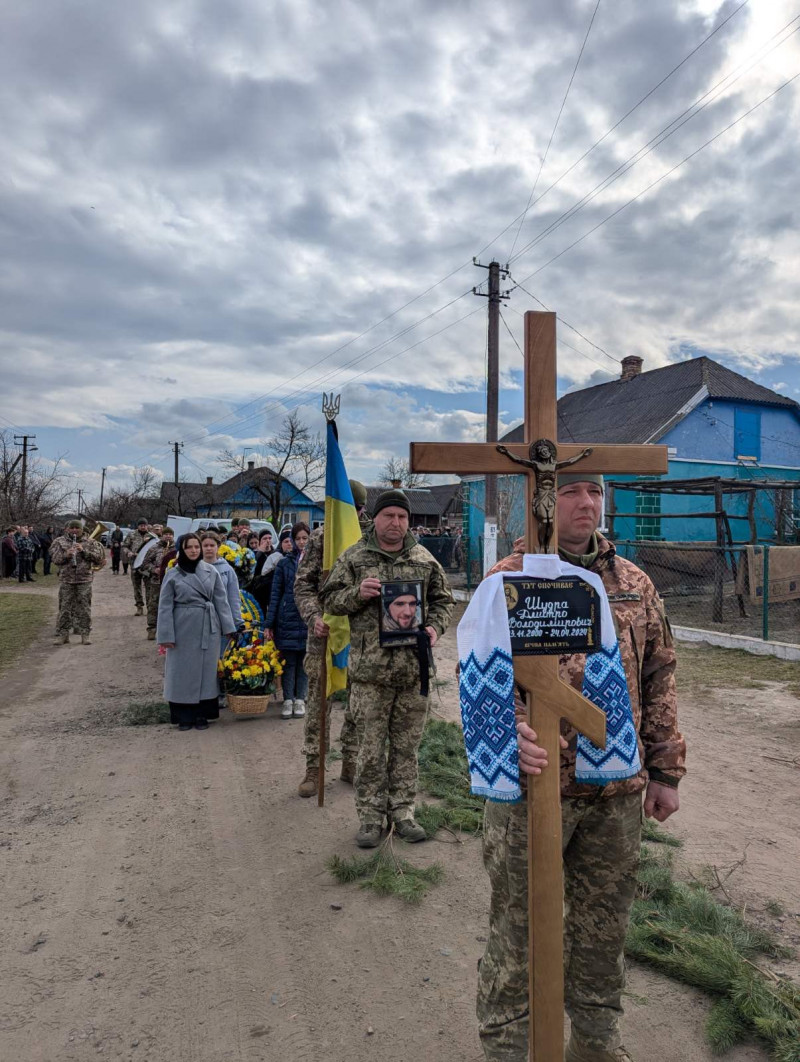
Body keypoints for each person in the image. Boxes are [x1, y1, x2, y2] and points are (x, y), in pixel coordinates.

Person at [476, 474, 685, 1062]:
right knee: (517, 931)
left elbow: (660, 676)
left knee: (602, 930)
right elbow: (480, 675)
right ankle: (507, 1049)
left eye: (594, 491)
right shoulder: (505, 582)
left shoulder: (634, 583)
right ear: (541, 499)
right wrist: (502, 729)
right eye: (570, 491)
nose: (585, 503)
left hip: (615, 792)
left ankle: (595, 1046)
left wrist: (666, 771)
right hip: (531, 786)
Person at [320, 489, 454, 847]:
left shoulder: (424, 560)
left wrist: (434, 628)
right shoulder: (354, 557)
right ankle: (369, 817)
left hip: (413, 673)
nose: (396, 523)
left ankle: (403, 813)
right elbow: (328, 599)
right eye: (389, 516)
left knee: (407, 749)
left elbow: (444, 601)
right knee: (370, 748)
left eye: (402, 517)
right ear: (375, 519)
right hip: (370, 676)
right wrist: (357, 594)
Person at [294, 479, 369, 797]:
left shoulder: (372, 538)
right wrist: (314, 617)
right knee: (317, 703)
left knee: (359, 703)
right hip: (323, 635)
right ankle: (314, 766)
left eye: (355, 510)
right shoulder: (320, 537)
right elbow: (303, 584)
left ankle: (351, 762)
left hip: (363, 637)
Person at [156, 533, 236, 731]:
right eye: (188, 547)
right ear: (181, 550)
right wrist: (165, 635)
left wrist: (229, 628)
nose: (193, 550)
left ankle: (202, 715)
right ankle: (183, 716)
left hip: (208, 627)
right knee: (181, 673)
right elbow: (164, 606)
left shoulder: (211, 571)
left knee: (206, 673)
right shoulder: (172, 574)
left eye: (196, 547)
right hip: (182, 628)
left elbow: (221, 601)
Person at [266, 522, 310, 720]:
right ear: (292, 540)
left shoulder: (315, 563)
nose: (301, 542)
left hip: (307, 616)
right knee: (289, 661)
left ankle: (300, 698)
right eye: (298, 538)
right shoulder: (284, 563)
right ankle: (288, 699)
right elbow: (275, 593)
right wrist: (269, 623)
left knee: (304, 661)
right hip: (287, 617)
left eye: (305, 538)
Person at [50, 520, 105, 644]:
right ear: (68, 529)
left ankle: (85, 634)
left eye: (77, 528)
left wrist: (83, 551)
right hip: (66, 580)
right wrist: (66, 554)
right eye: (72, 528)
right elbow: (55, 559)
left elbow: (99, 559)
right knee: (64, 607)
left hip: (84, 579)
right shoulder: (59, 541)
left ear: (82, 529)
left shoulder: (91, 542)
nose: (74, 530)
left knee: (84, 608)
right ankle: (63, 634)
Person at [200, 532, 243, 638]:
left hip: (221, 619)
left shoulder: (227, 569)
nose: (209, 548)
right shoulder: (195, 568)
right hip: (199, 619)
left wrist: (237, 622)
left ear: (218, 547)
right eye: (205, 545)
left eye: (212, 545)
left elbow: (233, 597)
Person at [140, 527, 175, 640]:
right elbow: (145, 563)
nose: (168, 536)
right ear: (162, 535)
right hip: (156, 582)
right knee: (153, 605)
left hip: (172, 582)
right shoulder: (154, 548)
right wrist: (154, 569)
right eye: (166, 534)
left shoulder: (177, 548)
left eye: (170, 534)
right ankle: (152, 629)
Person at [123, 518, 154, 615]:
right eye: (141, 525)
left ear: (147, 525)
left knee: (149, 587)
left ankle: (150, 607)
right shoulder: (131, 535)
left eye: (144, 525)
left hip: (147, 565)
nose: (143, 527)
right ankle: (139, 607)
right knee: (137, 586)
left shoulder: (152, 536)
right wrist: (128, 552)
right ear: (138, 526)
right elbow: (125, 546)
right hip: (134, 564)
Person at [249, 531, 276, 613]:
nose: (268, 541)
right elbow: (252, 567)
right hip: (259, 590)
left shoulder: (274, 553)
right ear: (260, 541)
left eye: (270, 538)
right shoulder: (256, 553)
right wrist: (260, 552)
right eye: (265, 538)